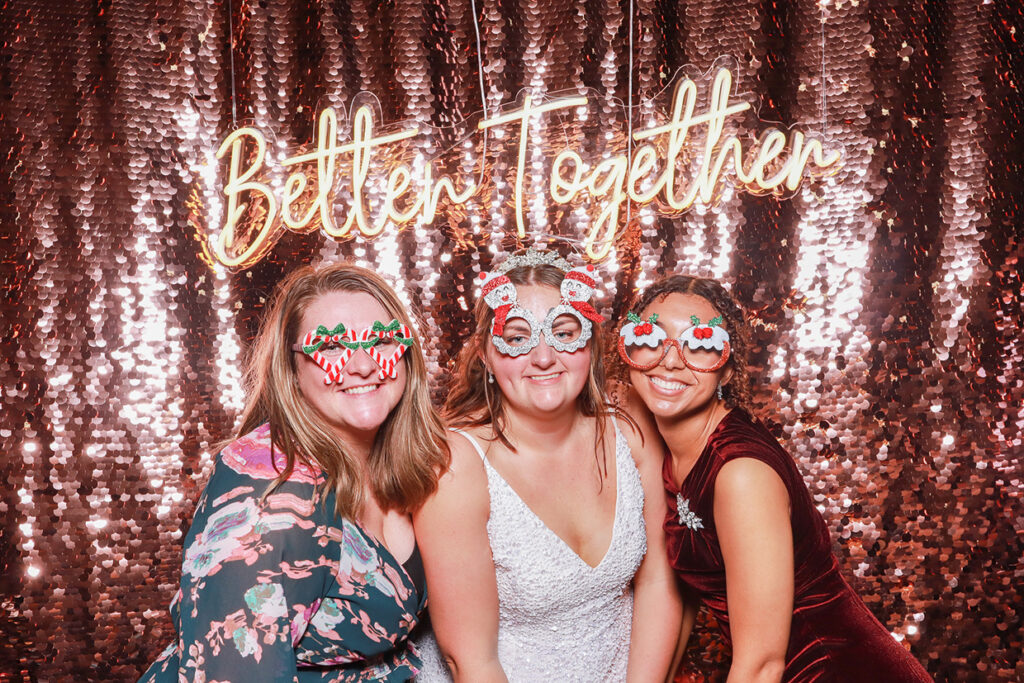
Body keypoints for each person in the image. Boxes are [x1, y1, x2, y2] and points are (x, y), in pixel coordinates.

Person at [140, 263, 449, 682]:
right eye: (332, 347)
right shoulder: (271, 495)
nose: (361, 365)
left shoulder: (404, 462)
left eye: (382, 340)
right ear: (293, 370)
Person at [617, 274, 932, 683]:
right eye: (650, 337)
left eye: (700, 344)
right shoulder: (672, 446)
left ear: (726, 372)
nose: (671, 360)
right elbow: (686, 593)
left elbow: (762, 664)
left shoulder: (740, 474)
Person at [413, 249, 682, 682]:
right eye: (517, 337)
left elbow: (658, 585)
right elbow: (471, 660)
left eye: (563, 332)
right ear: (485, 353)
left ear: (590, 343)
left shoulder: (630, 434)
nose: (543, 357)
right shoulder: (456, 466)